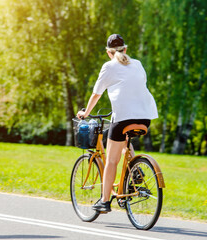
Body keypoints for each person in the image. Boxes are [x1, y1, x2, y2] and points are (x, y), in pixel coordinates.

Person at [77, 34, 158, 212]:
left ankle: (105, 201)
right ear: (125, 49)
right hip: (145, 117)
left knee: (112, 160)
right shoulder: (137, 64)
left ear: (108, 53)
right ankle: (135, 172)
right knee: (124, 141)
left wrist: (86, 113)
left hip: (123, 118)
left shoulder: (109, 66)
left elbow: (96, 94)